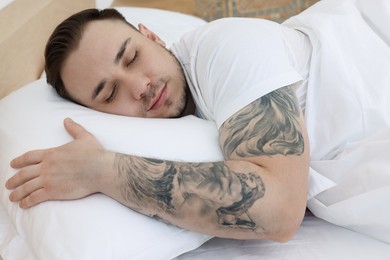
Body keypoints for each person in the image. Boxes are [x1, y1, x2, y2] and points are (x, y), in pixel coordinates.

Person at [5, 0, 390, 243]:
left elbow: (280, 207)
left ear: (152, 36)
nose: (140, 86)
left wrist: (101, 171)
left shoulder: (225, 49)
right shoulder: (182, 125)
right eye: (109, 94)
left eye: (133, 56)